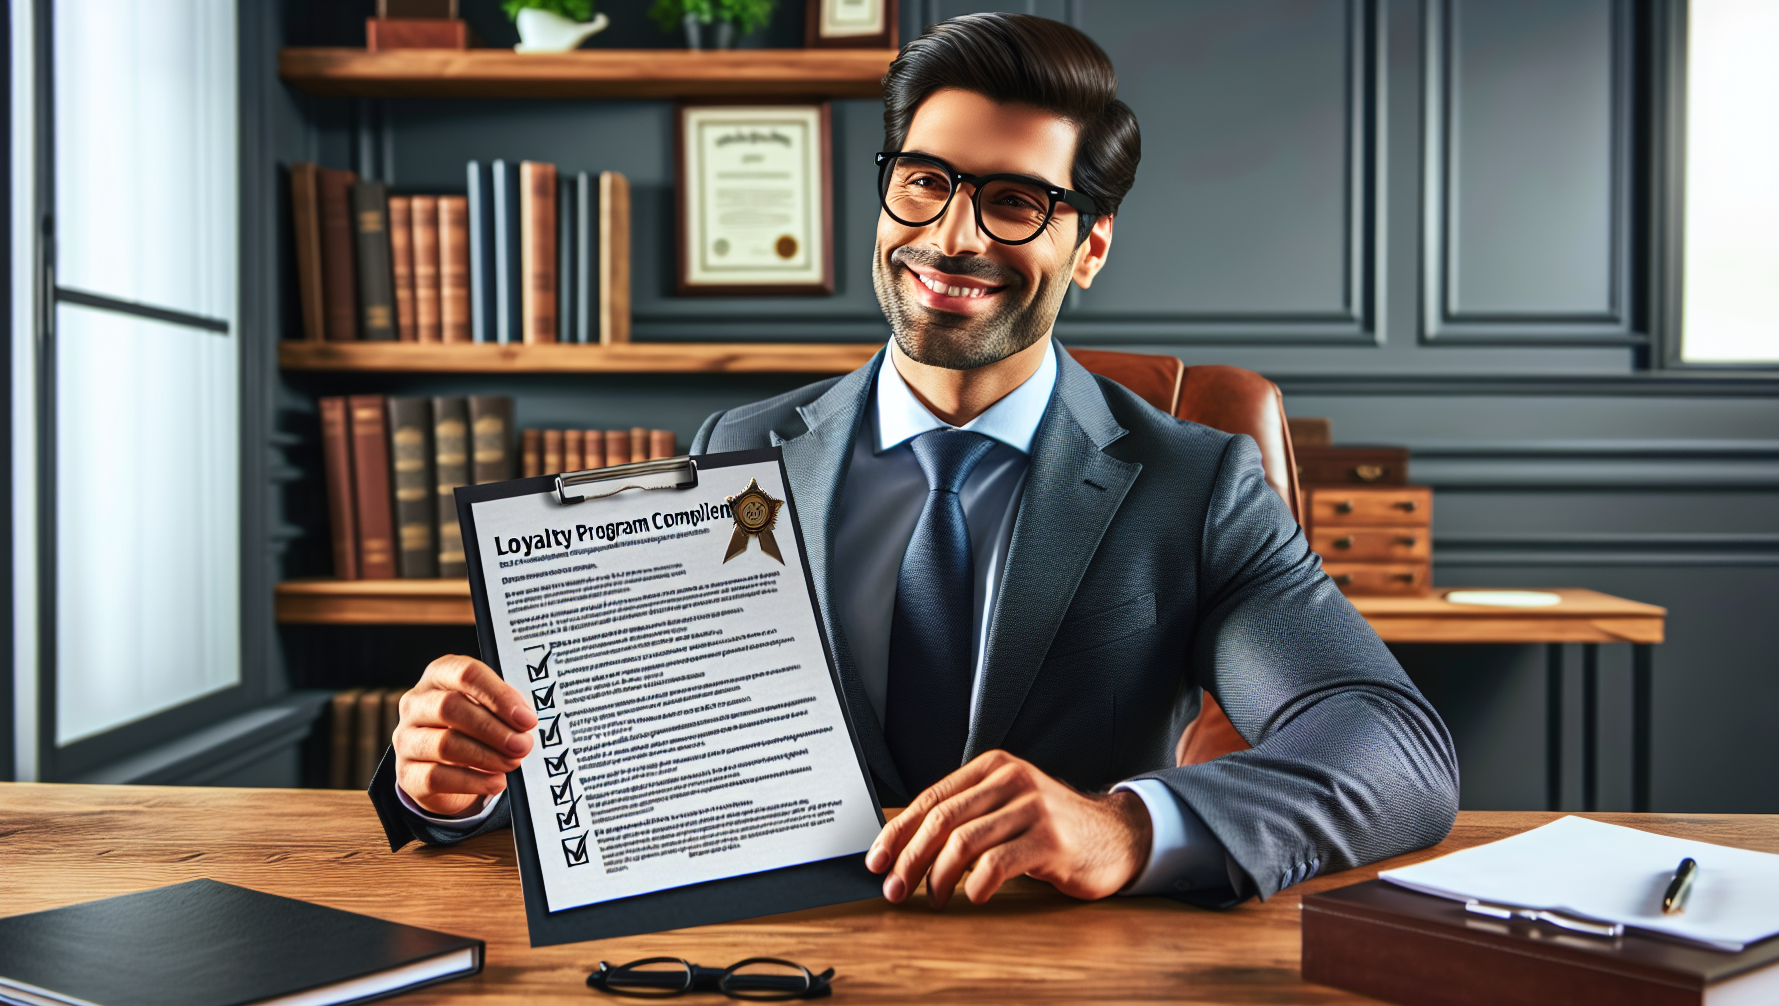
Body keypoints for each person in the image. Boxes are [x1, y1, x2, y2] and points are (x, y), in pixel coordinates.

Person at [369, 12, 1458, 909]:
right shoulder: (737, 450)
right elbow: (633, 768)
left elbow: (1394, 749)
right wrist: (456, 783)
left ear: (1090, 244)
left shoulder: (1195, 485)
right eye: (924, 181)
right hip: (776, 961)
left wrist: (1126, 825)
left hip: (1067, 976)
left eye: (1015, 201)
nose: (952, 238)